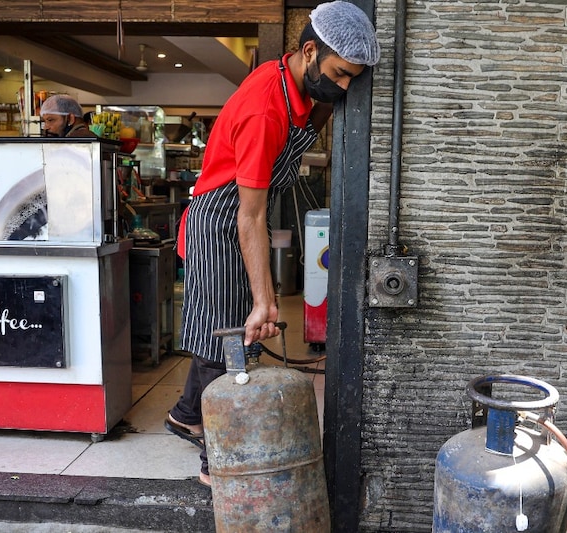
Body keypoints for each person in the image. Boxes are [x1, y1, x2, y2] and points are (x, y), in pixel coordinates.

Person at [163, 0, 380, 487]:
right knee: (227, 333)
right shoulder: (266, 108)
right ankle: (216, 459)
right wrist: (265, 301)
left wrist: (331, 95)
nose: (343, 87)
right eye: (340, 75)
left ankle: (183, 413)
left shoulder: (292, 81)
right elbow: (250, 215)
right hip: (222, 220)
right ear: (308, 51)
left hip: (237, 214)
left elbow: (311, 117)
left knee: (223, 328)